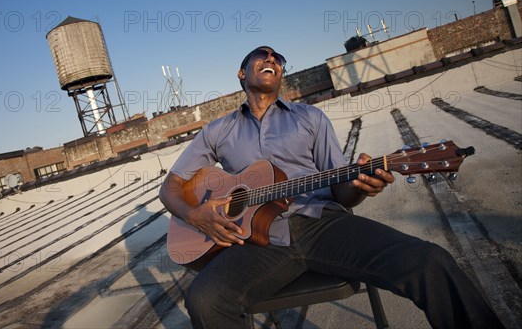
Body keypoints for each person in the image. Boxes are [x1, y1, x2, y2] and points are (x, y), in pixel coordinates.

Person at [159, 46, 503, 328]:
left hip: (323, 224)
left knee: (431, 260)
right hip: (256, 242)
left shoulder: (310, 118)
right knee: (203, 300)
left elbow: (342, 190)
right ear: (241, 73)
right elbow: (171, 188)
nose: (272, 60)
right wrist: (195, 214)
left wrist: (361, 186)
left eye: (278, 59)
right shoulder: (218, 130)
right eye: (262, 56)